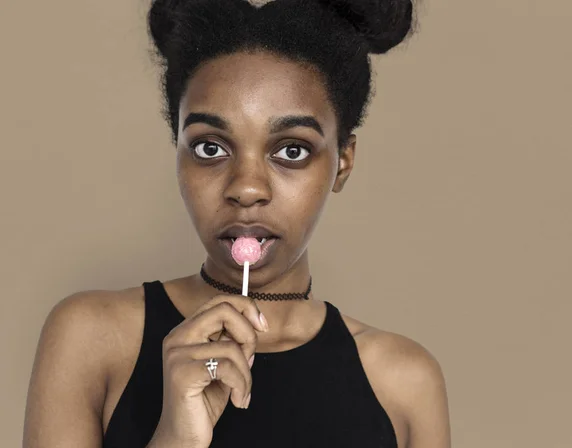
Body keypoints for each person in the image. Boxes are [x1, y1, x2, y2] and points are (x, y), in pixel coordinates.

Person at [23, 0, 451, 447]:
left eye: (291, 150)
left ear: (342, 163)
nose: (247, 189)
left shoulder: (404, 382)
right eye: (210, 148)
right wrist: (175, 437)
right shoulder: (90, 336)